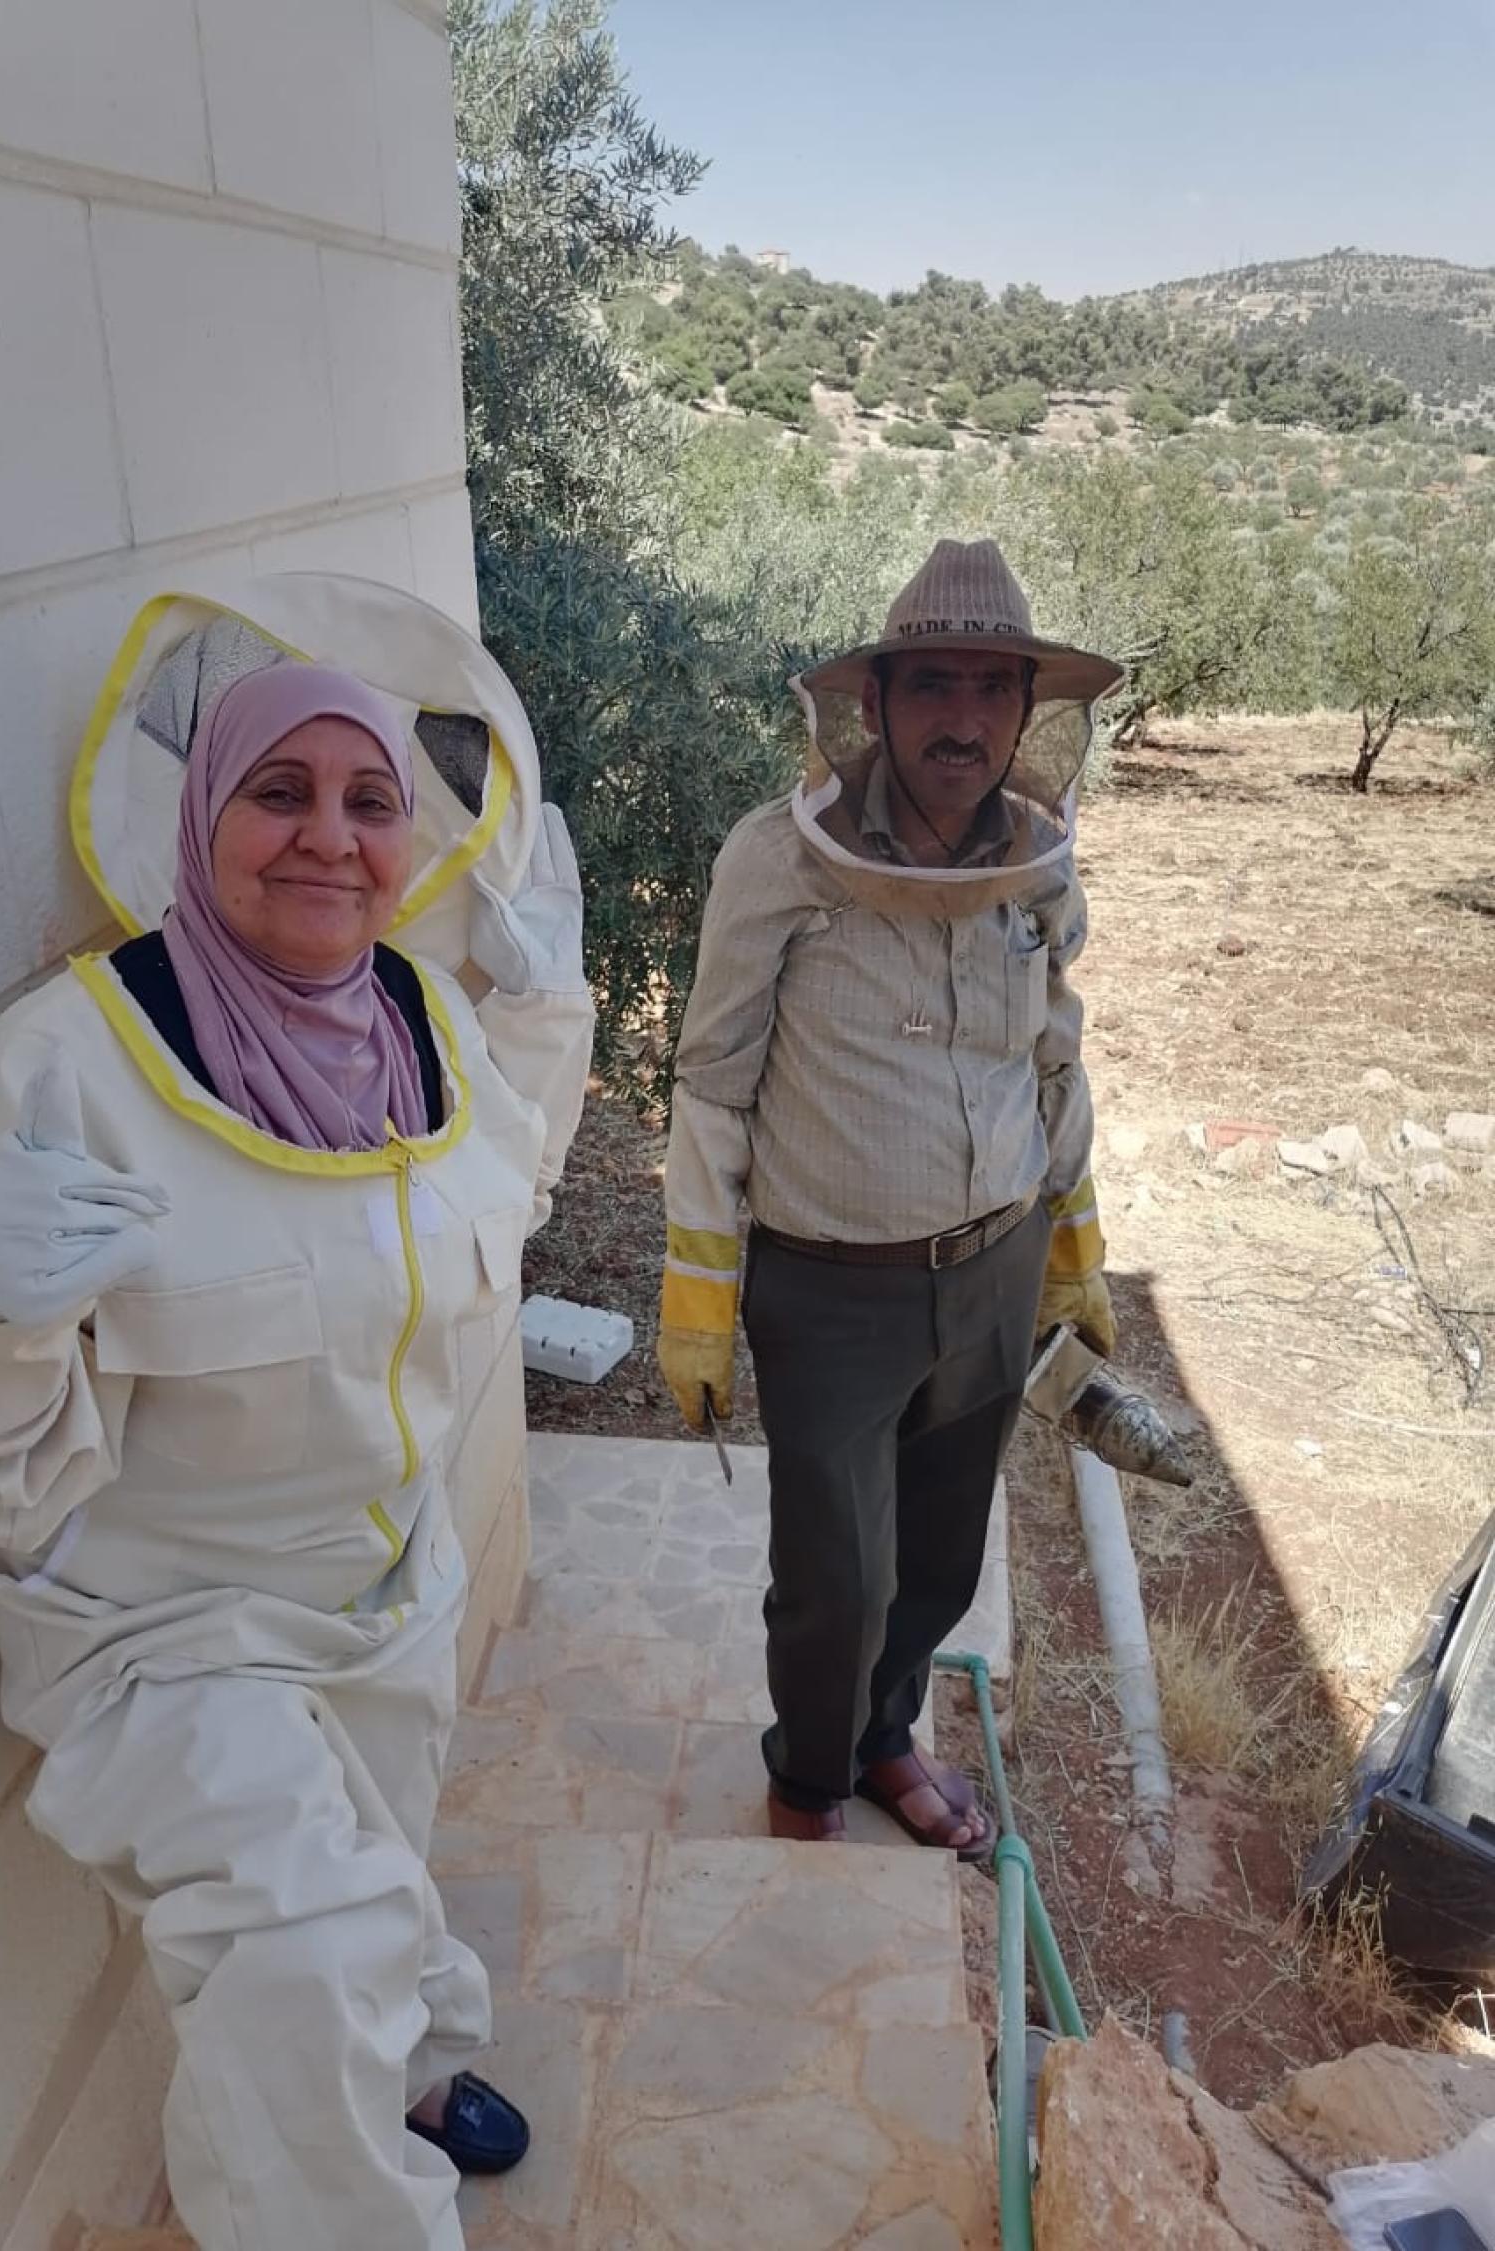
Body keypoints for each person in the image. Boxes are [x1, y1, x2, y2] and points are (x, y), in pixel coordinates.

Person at [0, 597, 594, 2251]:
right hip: (155, 1626)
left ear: (409, 838)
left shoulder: (422, 1025)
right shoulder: (75, 1063)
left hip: (383, 1585)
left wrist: (539, 1015)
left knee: (384, 1859)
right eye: (278, 794)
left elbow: (496, 1193)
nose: (327, 838)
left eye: (368, 801)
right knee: (302, 1952)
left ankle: (423, 2065)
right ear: (201, 814)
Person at [656, 538, 1122, 1850]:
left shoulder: (1037, 866)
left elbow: (1056, 1055)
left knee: (937, 1561)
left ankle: (882, 1743)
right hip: (831, 1288)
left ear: (1028, 713)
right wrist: (697, 1300)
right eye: (934, 686)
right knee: (836, 1578)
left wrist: (1073, 1244)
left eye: (991, 689)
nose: (962, 719)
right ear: (879, 702)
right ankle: (807, 1780)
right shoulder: (777, 859)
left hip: (995, 1266)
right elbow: (711, 1084)